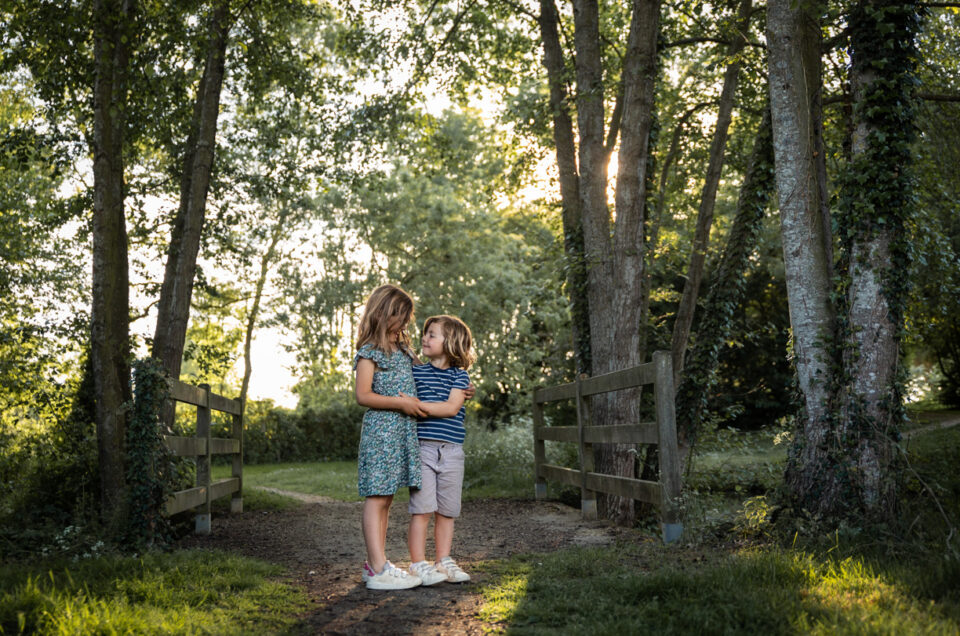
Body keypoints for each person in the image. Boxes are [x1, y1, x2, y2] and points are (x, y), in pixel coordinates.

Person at [353, 284, 429, 590]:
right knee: (377, 497)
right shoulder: (369, 351)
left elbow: (425, 378)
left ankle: (377, 563)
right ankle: (377, 567)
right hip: (381, 433)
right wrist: (401, 403)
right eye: (402, 317)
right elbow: (363, 395)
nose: (406, 324)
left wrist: (459, 385)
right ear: (385, 314)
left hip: (400, 434)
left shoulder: (404, 350)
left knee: (387, 499)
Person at [404, 315, 475, 585]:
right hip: (423, 450)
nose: (425, 337)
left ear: (451, 342)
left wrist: (416, 405)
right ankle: (418, 564)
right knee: (421, 510)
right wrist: (411, 403)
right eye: (425, 333)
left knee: (447, 511)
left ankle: (444, 560)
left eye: (432, 334)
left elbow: (451, 408)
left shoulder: (461, 376)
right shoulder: (416, 371)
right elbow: (404, 349)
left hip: (452, 451)